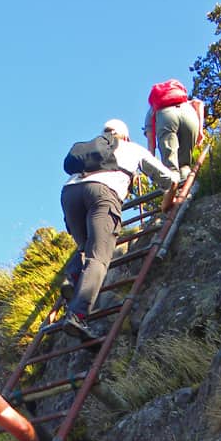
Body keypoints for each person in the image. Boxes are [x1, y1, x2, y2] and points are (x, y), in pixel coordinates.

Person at [58, 118, 180, 340]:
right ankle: (77, 314)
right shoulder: (131, 148)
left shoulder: (91, 150)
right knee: (99, 256)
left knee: (85, 244)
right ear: (125, 135)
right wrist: (169, 197)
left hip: (69, 194)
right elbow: (168, 178)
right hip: (104, 193)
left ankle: (72, 277)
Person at [143, 96, 201, 181]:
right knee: (184, 164)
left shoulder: (151, 111)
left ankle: (176, 191)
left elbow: (151, 143)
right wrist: (200, 131)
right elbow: (198, 103)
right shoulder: (184, 101)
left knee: (171, 168)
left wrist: (149, 165)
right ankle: (191, 190)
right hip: (189, 113)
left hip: (166, 117)